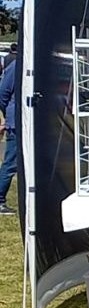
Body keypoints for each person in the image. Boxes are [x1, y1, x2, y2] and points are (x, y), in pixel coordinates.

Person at [0, 47, 22, 215]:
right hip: (16, 121)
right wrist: (8, 116)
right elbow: (3, 94)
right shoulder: (15, 67)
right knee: (11, 163)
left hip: (30, 121)